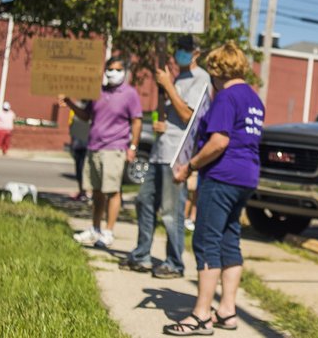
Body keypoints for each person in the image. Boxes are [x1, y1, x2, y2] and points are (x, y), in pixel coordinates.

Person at [164, 42, 263, 336]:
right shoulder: (254, 98)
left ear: (217, 69)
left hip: (221, 177)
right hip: (246, 177)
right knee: (229, 240)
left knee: (206, 242)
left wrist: (190, 166)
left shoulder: (226, 97)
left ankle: (201, 315)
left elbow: (219, 141)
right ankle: (227, 310)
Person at [120, 34, 211, 279]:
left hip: (177, 155)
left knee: (172, 211)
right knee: (143, 201)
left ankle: (174, 262)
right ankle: (142, 254)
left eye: (186, 49)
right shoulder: (178, 77)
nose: (181, 52)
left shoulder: (201, 78)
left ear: (197, 53)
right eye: (178, 48)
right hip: (160, 153)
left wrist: (168, 85)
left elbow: (188, 116)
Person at [64, 56, 143, 249]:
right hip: (94, 147)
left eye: (117, 69)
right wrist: (69, 102)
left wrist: (132, 147)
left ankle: (108, 231)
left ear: (124, 72)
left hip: (114, 148)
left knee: (113, 191)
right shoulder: (97, 92)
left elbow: (137, 121)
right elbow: (86, 115)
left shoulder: (130, 94)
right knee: (97, 191)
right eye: (109, 69)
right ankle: (95, 228)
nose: (112, 73)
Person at [69, 107, 90, 202]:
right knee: (79, 171)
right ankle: (82, 192)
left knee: (85, 171)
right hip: (78, 145)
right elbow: (71, 127)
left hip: (88, 146)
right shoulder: (74, 111)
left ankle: (86, 193)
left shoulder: (93, 111)